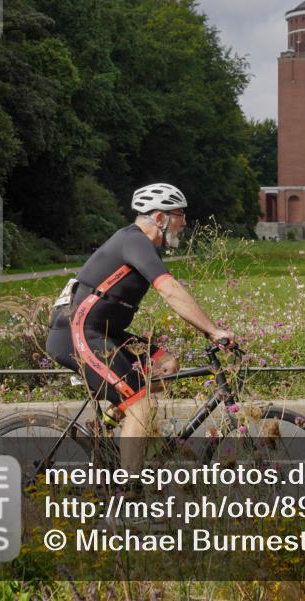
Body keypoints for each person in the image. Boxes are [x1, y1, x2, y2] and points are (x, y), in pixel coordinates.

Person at [45, 183, 234, 475]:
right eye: (179, 215)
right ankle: (126, 494)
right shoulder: (133, 241)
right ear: (160, 218)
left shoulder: (144, 246)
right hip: (78, 332)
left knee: (167, 365)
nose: (184, 223)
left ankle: (106, 423)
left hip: (105, 332)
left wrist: (207, 329)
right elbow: (170, 290)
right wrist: (212, 330)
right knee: (142, 407)